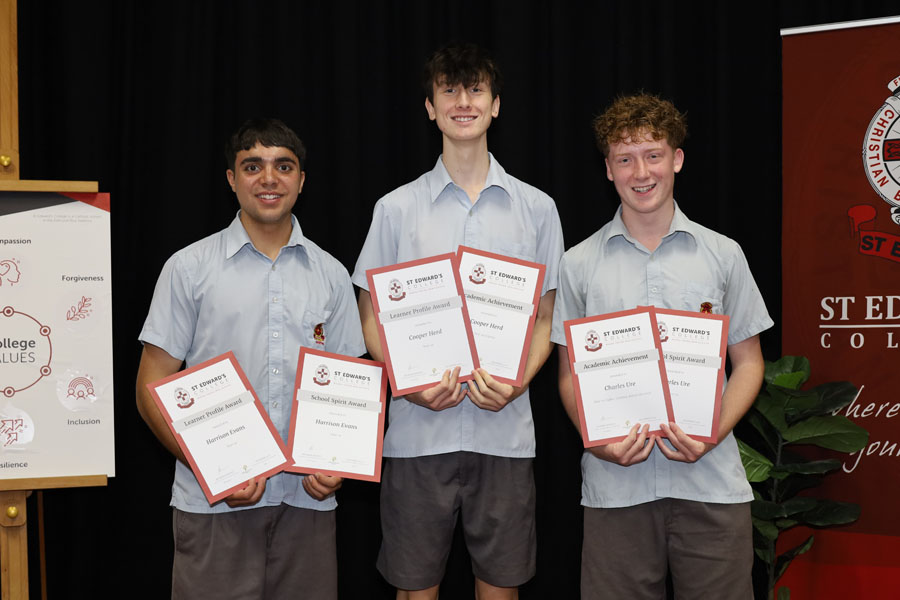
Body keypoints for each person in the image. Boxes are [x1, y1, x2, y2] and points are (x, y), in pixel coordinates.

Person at [352, 44, 564, 600]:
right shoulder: (395, 210)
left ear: (496, 105)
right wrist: (407, 382)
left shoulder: (537, 209)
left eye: (475, 89)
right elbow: (370, 313)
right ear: (430, 107)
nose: (462, 101)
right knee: (414, 589)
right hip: (417, 436)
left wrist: (518, 381)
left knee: (502, 589)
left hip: (505, 434)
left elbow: (546, 315)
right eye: (449, 89)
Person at [552, 93, 772, 599]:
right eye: (625, 159)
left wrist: (712, 433)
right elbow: (568, 375)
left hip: (711, 485)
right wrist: (597, 440)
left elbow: (749, 364)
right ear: (608, 169)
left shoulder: (724, 255)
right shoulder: (578, 264)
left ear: (677, 159)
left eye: (653, 155)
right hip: (615, 490)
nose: (640, 172)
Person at [136, 118, 365, 600]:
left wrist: (338, 465)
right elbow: (150, 388)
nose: (269, 178)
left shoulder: (331, 274)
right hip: (213, 507)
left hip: (307, 503)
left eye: (284, 166)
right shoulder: (188, 269)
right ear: (231, 178)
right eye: (253, 166)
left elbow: (351, 390)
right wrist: (211, 468)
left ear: (301, 180)